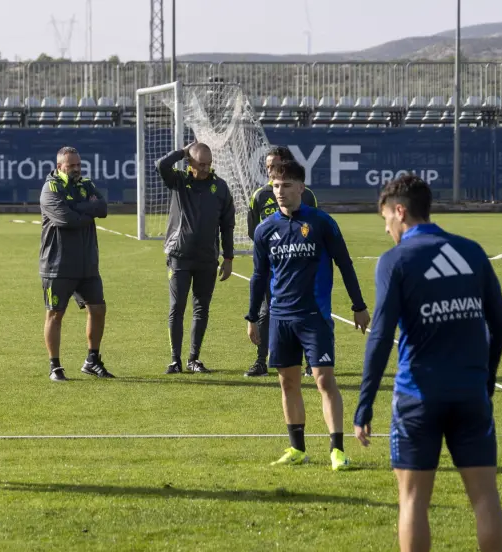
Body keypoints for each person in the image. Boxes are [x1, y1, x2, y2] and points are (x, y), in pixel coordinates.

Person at [353, 174, 502, 552]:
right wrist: (484, 381)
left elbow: (379, 338)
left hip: (418, 396)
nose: (386, 229)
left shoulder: (396, 260)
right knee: (486, 498)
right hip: (471, 395)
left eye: (385, 219)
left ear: (400, 211)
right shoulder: (471, 251)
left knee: (413, 500)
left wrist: (364, 404)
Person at [246, 160, 370, 471]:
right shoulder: (265, 229)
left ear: (301, 187)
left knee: (323, 380)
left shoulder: (322, 223)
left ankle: (337, 450)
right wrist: (251, 317)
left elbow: (345, 263)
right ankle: (297, 448)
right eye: (276, 186)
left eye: (287, 185)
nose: (280, 191)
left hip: (314, 316)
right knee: (287, 382)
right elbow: (259, 276)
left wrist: (359, 305)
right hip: (281, 318)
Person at [156, 141, 235, 374]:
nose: (206, 168)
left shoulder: (220, 187)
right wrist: (182, 151)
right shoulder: (179, 181)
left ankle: (193, 358)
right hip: (179, 256)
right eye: (201, 164)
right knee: (177, 307)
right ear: (190, 162)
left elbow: (227, 225)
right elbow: (161, 165)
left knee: (201, 309)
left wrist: (228, 258)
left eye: (209, 164)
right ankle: (175, 359)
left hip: (207, 259)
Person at [245, 146, 322, 378]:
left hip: (301, 264)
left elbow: (315, 227)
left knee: (305, 308)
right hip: (271, 264)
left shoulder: (306, 194)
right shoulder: (259, 195)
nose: (270, 170)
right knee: (266, 311)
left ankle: (311, 361)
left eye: (274, 165)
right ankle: (261, 361)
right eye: (267, 166)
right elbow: (253, 230)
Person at [38, 146, 113, 381]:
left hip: (87, 263)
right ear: (60, 166)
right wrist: (86, 210)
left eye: (79, 165)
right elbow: (65, 219)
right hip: (58, 264)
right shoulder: (50, 188)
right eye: (72, 166)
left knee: (98, 309)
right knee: (55, 314)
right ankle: (55, 366)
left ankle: (92, 360)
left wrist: (79, 208)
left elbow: (102, 208)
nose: (77, 169)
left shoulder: (86, 184)